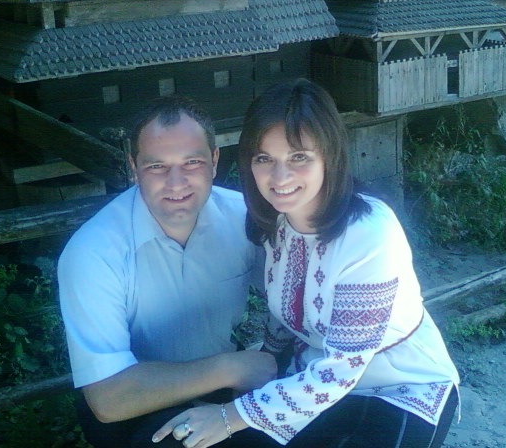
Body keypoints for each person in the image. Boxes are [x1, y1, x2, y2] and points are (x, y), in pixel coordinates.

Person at [154, 79, 460, 448]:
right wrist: (264, 367)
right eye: (264, 158)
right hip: (309, 378)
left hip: (398, 390)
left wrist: (231, 416)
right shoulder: (277, 222)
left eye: (299, 157)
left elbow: (341, 370)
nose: (279, 177)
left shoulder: (368, 234)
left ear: (329, 155)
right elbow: (286, 313)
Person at [58, 95, 278, 448]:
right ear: (133, 167)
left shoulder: (245, 220)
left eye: (192, 162)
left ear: (214, 161)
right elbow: (108, 399)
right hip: (135, 403)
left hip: (223, 389)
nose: (176, 183)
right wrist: (234, 367)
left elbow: (297, 298)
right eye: (157, 166)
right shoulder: (93, 251)